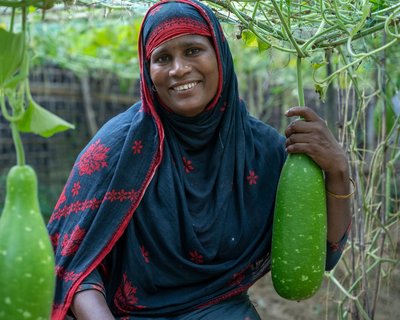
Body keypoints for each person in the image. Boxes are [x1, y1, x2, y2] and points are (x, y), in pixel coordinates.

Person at [47, 0, 352, 319]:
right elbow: (72, 263)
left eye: (192, 50)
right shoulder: (120, 147)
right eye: (163, 58)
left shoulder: (262, 152)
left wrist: (337, 170)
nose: (178, 69)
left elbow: (323, 256)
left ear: (219, 55)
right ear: (148, 71)